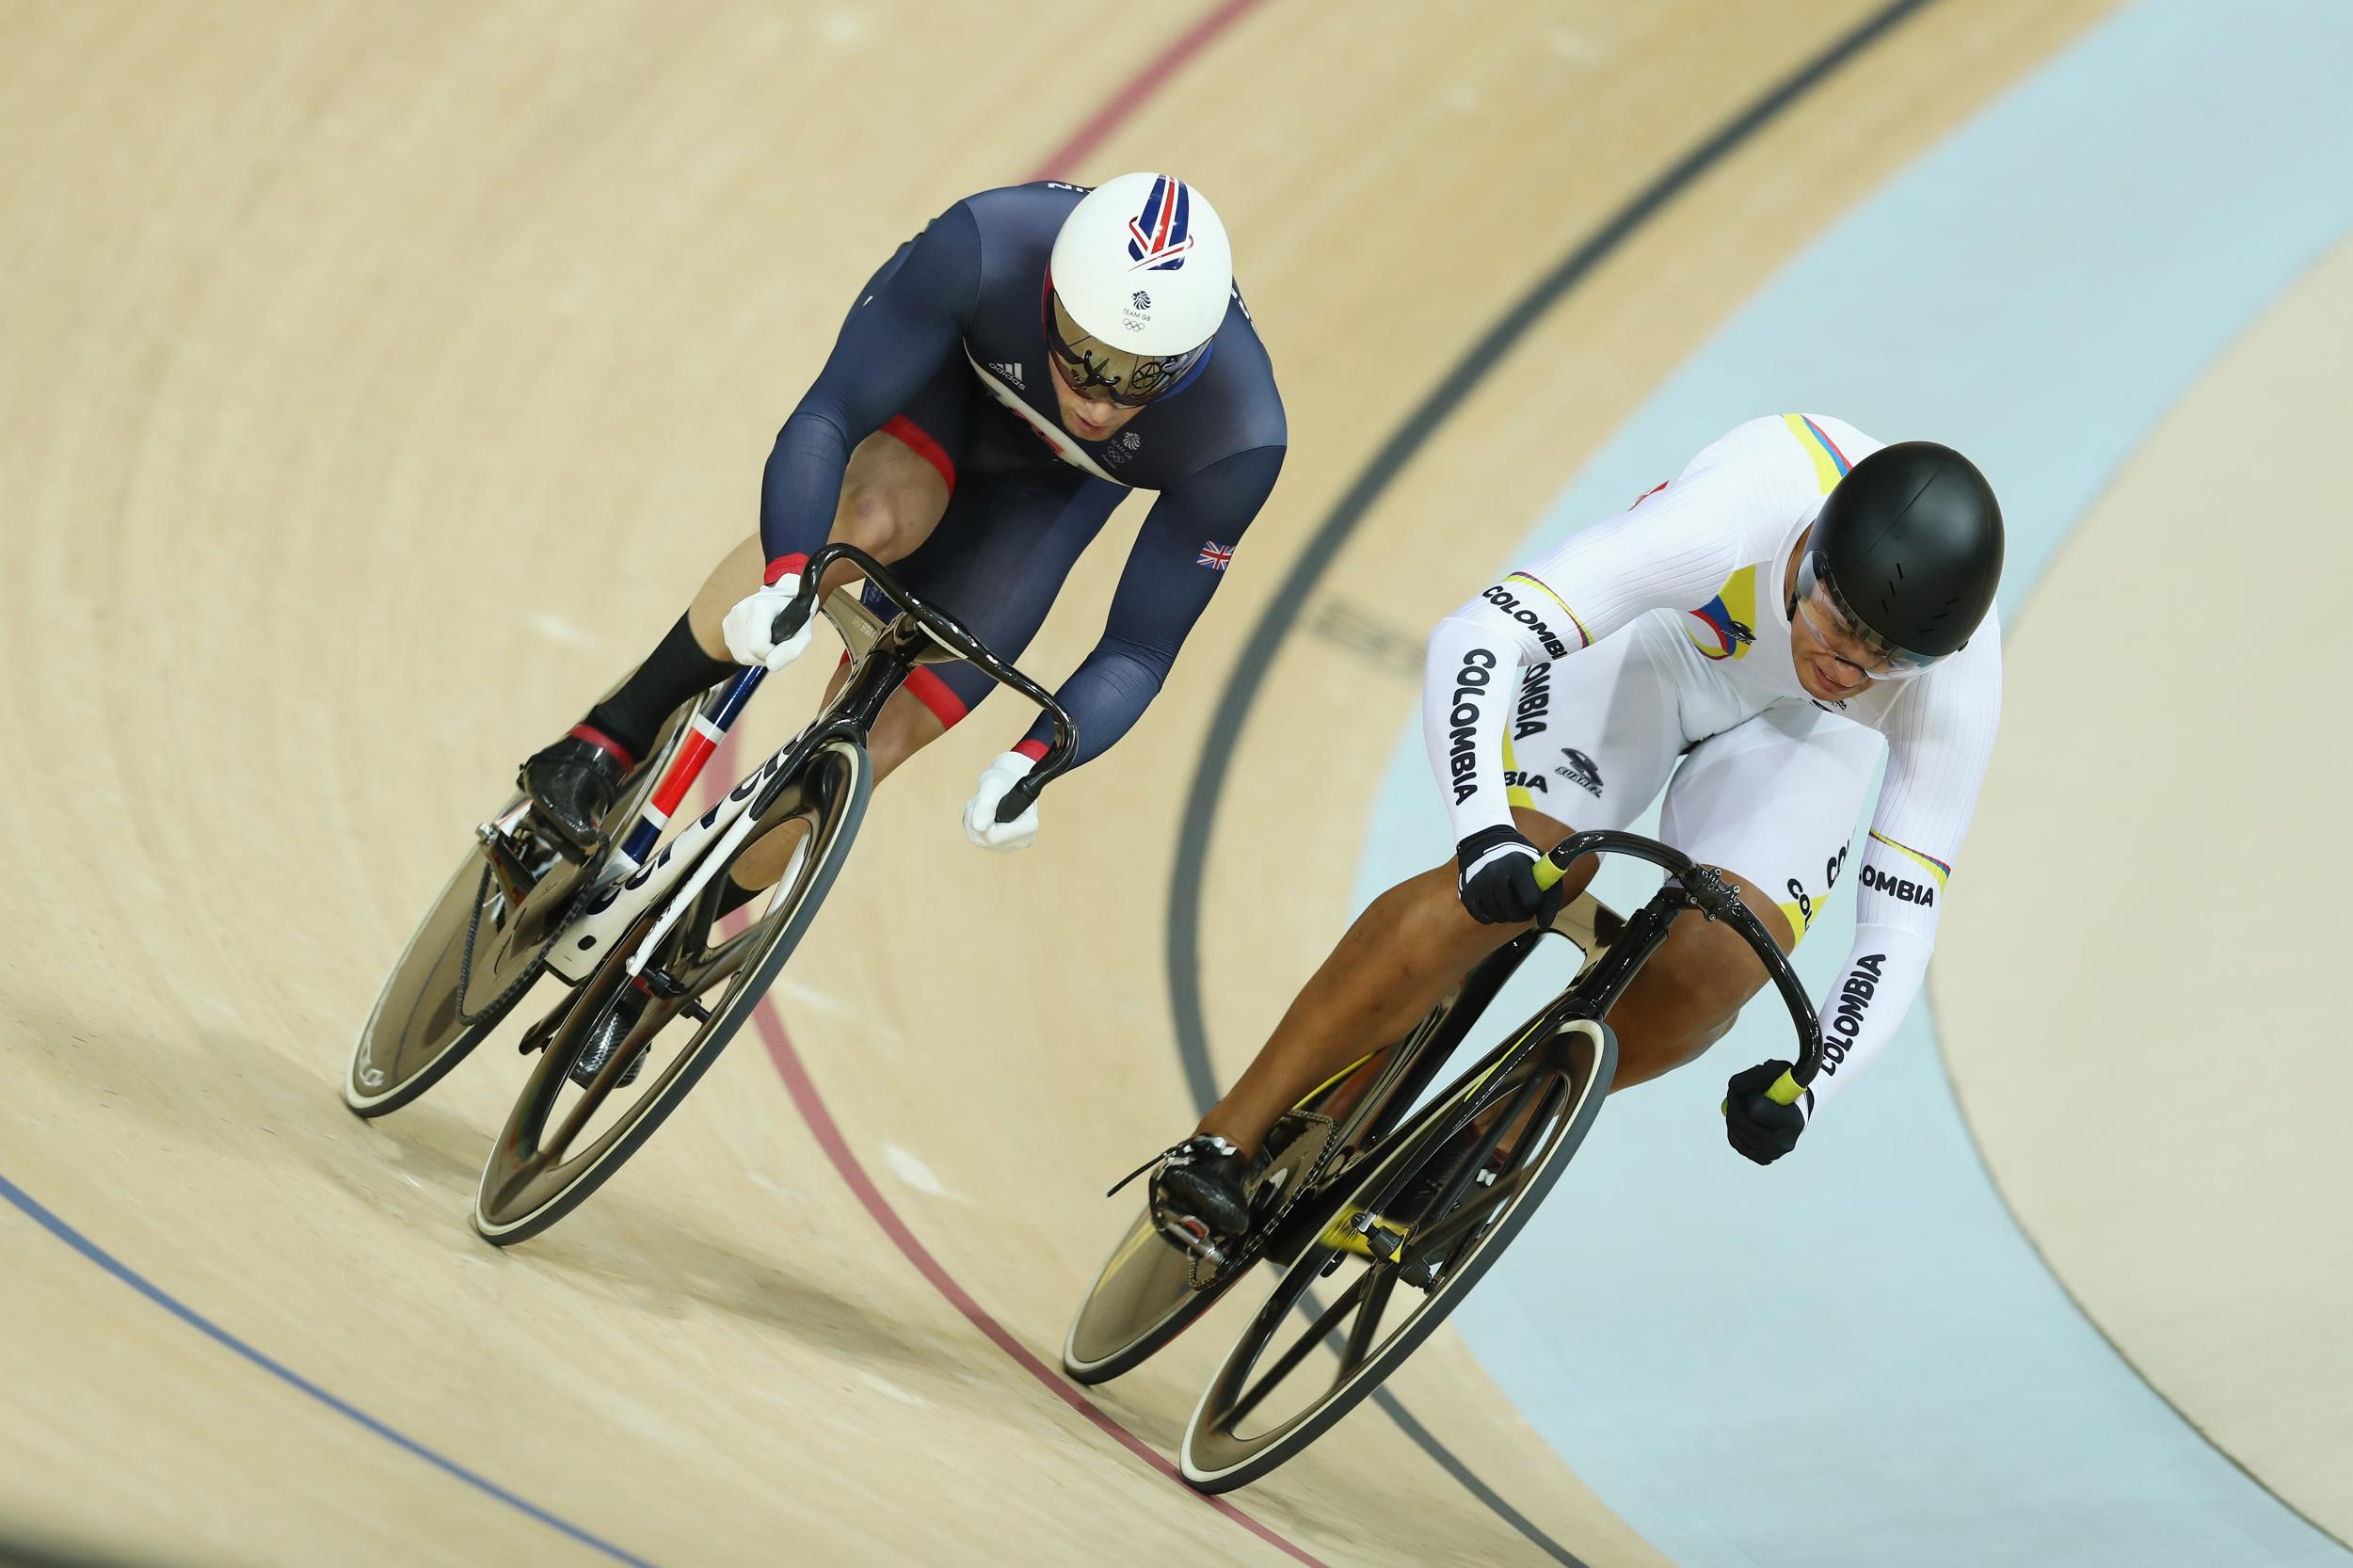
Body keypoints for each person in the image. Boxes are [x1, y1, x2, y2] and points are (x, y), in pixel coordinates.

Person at [1145, 413, 2002, 1250]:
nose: (1848, 668)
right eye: (1841, 626)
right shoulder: (1728, 519)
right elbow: (1481, 632)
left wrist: (1813, 1086)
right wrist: (1486, 836)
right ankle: (1228, 1137)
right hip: (1662, 650)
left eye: (1888, 660)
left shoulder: (1950, 682)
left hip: (1808, 742)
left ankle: (1488, 1146)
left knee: (1719, 968)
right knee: (1515, 873)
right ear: (1812, 553)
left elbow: (1900, 923)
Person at [518, 172, 1285, 1083]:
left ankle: (650, 971)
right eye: (1081, 353)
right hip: (943, 400)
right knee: (872, 520)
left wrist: (1036, 760)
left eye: (1138, 379)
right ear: (1051, 296)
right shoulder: (988, 243)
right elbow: (827, 416)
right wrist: (789, 571)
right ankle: (609, 737)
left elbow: (1139, 648)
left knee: (873, 744)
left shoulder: (1238, 433)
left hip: (1046, 502)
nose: (1098, 396)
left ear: (1190, 362)